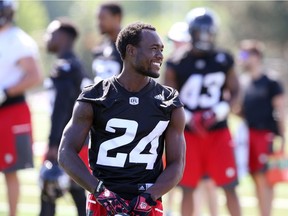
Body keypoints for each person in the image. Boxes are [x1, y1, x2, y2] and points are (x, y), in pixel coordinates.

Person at [58, 22, 186, 216]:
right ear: (131, 51)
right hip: (103, 199)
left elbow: (178, 163)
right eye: (153, 49)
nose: (160, 55)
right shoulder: (96, 96)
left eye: (161, 49)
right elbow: (66, 152)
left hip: (147, 201)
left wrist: (150, 196)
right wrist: (100, 190)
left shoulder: (169, 101)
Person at [164, 7, 241, 216]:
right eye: (201, 32)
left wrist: (220, 110)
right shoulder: (177, 61)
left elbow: (235, 91)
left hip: (218, 131)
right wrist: (188, 116)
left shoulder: (224, 59)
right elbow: (168, 95)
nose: (205, 37)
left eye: (208, 32)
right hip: (188, 133)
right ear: (192, 32)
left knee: (229, 186)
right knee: (187, 188)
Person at [39, 18, 87, 216]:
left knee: (49, 192)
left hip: (65, 141)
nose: (47, 38)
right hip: (79, 140)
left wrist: (53, 142)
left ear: (63, 37)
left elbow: (61, 108)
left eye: (51, 34)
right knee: (79, 195)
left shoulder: (66, 67)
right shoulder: (75, 65)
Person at [0, 1, 43, 215]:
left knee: (10, 169)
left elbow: (35, 75)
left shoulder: (18, 40)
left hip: (9, 109)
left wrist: (6, 92)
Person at [237, 39, 286, 216]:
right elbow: (240, 110)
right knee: (255, 177)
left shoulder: (271, 81)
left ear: (256, 56)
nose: (241, 59)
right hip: (248, 136)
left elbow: (280, 109)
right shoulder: (243, 82)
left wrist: (282, 136)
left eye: (245, 55)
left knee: (267, 179)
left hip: (266, 135)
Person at [92, 2, 123, 83]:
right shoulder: (99, 49)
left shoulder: (129, 48)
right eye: (98, 18)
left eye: (103, 18)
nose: (99, 23)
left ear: (116, 18)